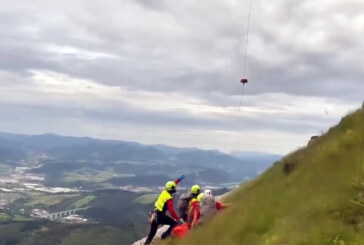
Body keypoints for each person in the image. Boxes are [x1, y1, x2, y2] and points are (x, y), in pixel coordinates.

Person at [144, 175, 185, 245]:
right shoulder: (169, 198)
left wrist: (178, 180)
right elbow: (172, 211)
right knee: (174, 224)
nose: (175, 188)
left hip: (154, 215)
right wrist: (178, 220)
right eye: (174, 188)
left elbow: (171, 185)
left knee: (152, 234)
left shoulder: (164, 192)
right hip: (160, 216)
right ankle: (164, 236)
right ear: (172, 189)